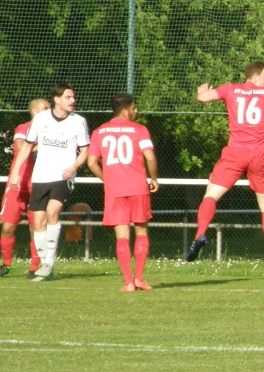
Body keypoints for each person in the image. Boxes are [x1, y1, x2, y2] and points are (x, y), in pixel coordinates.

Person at [185, 62, 264, 281]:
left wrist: (201, 91)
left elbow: (203, 98)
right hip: (259, 154)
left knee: (211, 195)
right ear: (255, 79)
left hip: (234, 153)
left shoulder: (230, 89)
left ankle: (201, 233)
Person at [8, 86, 90, 281]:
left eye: (73, 97)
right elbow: (27, 146)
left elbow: (85, 151)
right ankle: (45, 266)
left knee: (53, 212)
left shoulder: (78, 122)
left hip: (63, 176)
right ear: (57, 99)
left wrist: (73, 167)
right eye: (68, 97)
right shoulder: (41, 119)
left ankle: (49, 263)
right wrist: (16, 173)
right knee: (38, 222)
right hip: (40, 176)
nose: (72, 100)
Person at [87, 94, 160, 292]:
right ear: (125, 110)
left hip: (115, 190)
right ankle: (139, 279)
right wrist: (153, 179)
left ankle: (128, 282)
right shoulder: (139, 130)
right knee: (142, 230)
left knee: (122, 236)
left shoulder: (99, 131)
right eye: (134, 108)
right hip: (138, 188)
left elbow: (91, 163)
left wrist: (107, 179)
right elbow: (150, 158)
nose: (136, 112)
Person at [1, 99, 50, 278]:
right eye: (46, 108)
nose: (49, 110)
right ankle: (6, 264)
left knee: (36, 227)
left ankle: (34, 266)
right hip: (18, 184)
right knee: (8, 227)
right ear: (35, 112)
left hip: (39, 183)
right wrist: (44, 143)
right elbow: (22, 147)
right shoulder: (23, 128)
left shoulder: (52, 131)